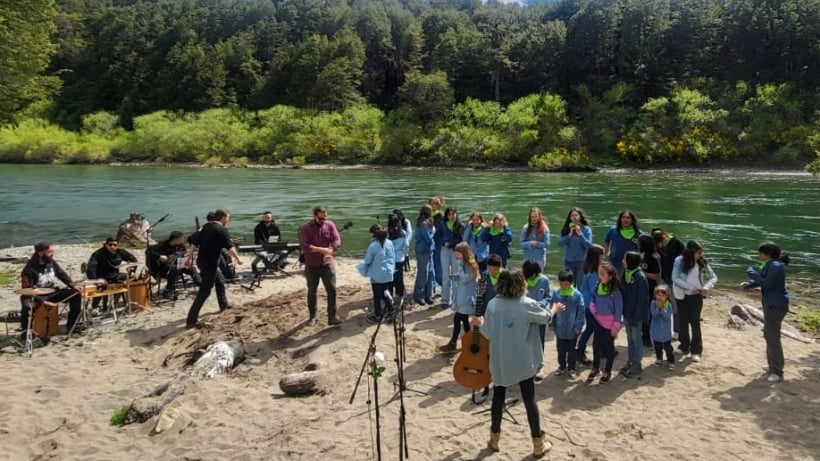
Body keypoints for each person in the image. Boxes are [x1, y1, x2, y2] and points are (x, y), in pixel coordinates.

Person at [470, 267, 563, 458]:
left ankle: (494, 439)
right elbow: (545, 318)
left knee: (498, 397)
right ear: (521, 284)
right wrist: (554, 309)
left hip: (500, 359)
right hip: (524, 360)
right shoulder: (527, 303)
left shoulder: (493, 304)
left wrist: (480, 323)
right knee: (529, 400)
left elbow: (487, 333)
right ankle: (538, 443)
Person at [186, 209, 243, 329]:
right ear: (223, 217)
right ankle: (191, 320)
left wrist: (189, 258)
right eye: (228, 217)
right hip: (210, 263)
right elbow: (229, 247)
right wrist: (238, 258)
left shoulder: (205, 227)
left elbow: (193, 243)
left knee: (220, 281)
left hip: (202, 261)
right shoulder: (222, 229)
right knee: (204, 291)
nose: (228, 220)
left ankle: (224, 306)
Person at [742, 241, 790, 383]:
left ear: (767, 254)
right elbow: (763, 280)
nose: (759, 255)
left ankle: (777, 371)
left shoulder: (775, 266)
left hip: (776, 306)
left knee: (773, 337)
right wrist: (749, 285)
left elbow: (767, 283)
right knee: (768, 335)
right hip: (771, 304)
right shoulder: (771, 264)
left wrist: (751, 273)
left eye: (761, 253)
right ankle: (772, 366)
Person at [19, 241, 82, 337]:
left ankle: (71, 326)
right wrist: (43, 302)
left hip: (51, 292)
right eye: (49, 252)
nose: (52, 254)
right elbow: (27, 290)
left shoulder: (51, 262)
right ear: (40, 253)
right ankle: (26, 333)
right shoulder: (29, 269)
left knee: (75, 294)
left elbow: (61, 274)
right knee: (27, 307)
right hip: (35, 296)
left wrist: (72, 285)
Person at [672, 240, 717, 363]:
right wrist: (690, 288)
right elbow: (674, 278)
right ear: (690, 252)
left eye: (701, 252)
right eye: (698, 252)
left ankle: (696, 350)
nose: (700, 255)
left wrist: (706, 287)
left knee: (695, 323)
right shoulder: (679, 261)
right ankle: (683, 346)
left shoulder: (702, 262)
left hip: (697, 297)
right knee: (683, 322)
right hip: (682, 295)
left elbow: (713, 277)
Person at [298, 206, 343, 326]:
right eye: (321, 218)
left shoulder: (330, 225)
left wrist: (332, 249)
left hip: (327, 264)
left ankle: (332, 317)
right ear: (314, 216)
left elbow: (337, 238)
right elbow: (304, 245)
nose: (323, 220)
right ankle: (312, 317)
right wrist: (322, 250)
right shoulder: (305, 228)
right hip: (312, 265)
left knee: (332, 290)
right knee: (312, 291)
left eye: (325, 218)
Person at [438, 242, 479, 353]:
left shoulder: (471, 265)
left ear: (464, 253)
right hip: (461, 295)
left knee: (459, 318)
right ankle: (468, 342)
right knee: (463, 320)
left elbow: (466, 278)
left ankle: (455, 342)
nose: (457, 257)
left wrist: (459, 268)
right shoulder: (464, 263)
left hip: (466, 298)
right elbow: (462, 278)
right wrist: (455, 277)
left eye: (459, 255)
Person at [586, 263, 623, 384]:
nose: (600, 276)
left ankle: (607, 371)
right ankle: (595, 368)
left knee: (609, 348)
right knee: (596, 346)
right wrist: (592, 307)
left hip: (610, 324)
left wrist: (616, 325)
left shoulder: (615, 292)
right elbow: (592, 298)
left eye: (603, 274)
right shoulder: (598, 287)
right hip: (598, 321)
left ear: (610, 276)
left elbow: (618, 309)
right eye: (599, 273)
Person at [549, 269, 585, 378]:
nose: (564, 286)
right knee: (560, 349)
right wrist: (552, 324)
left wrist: (578, 327)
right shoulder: (556, 293)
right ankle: (562, 366)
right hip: (560, 329)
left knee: (572, 350)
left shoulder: (577, 295)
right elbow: (552, 309)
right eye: (561, 284)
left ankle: (572, 368)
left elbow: (581, 312)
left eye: (566, 284)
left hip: (572, 329)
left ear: (571, 283)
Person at [620, 251, 650, 378]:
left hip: (635, 315)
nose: (622, 261)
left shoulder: (640, 277)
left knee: (636, 339)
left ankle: (637, 364)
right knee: (630, 338)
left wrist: (636, 318)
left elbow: (642, 300)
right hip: (627, 313)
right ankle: (630, 361)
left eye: (625, 259)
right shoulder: (626, 274)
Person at [651, 227, 685, 338]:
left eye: (661, 243)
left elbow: (684, 258)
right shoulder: (655, 245)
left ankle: (677, 330)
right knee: (660, 302)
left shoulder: (676, 243)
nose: (660, 246)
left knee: (675, 305)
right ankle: (660, 327)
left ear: (664, 236)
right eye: (657, 245)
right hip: (662, 277)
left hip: (674, 278)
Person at [146, 231, 200, 299]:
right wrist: (159, 256)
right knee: (174, 268)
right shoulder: (162, 245)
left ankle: (201, 284)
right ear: (175, 239)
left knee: (191, 267)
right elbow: (148, 251)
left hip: (178, 266)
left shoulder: (181, 246)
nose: (182, 240)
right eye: (181, 239)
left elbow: (183, 254)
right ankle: (168, 291)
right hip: (163, 269)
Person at [576, 244, 605, 365]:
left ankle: (583, 350)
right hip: (591, 304)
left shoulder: (586, 267)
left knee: (592, 328)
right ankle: (580, 351)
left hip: (586, 302)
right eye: (601, 255)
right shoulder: (593, 272)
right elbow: (595, 290)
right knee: (591, 328)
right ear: (597, 257)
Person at [522, 259, 551, 381]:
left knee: (539, 339)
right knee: (525, 338)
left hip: (539, 314)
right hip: (526, 315)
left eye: (533, 274)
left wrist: (540, 304)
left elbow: (548, 297)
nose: (531, 277)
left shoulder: (544, 280)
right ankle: (526, 363)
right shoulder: (523, 280)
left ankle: (539, 365)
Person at [361, 225, 395, 324]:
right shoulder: (390, 243)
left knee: (377, 295)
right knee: (386, 292)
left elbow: (367, 260)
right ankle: (391, 311)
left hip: (377, 274)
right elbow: (392, 256)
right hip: (388, 273)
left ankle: (378, 315)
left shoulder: (373, 246)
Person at [436, 207, 464, 308]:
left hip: (456, 251)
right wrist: (443, 243)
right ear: (447, 215)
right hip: (444, 250)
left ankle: (455, 300)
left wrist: (451, 244)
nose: (452, 216)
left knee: (455, 275)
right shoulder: (442, 225)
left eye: (453, 214)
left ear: (456, 215)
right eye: (450, 214)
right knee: (445, 275)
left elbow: (462, 239)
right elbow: (437, 237)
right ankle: (445, 300)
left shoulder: (460, 225)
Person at [558, 207, 593, 283]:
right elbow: (560, 243)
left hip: (582, 262)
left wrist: (580, 234)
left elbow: (588, 245)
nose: (574, 217)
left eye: (576, 215)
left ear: (580, 216)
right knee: (569, 284)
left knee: (581, 284)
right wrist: (569, 235)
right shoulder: (566, 229)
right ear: (569, 218)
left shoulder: (586, 229)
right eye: (572, 215)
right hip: (569, 261)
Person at [412, 205, 436, 306]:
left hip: (429, 250)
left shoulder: (426, 222)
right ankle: (419, 295)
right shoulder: (423, 224)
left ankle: (428, 294)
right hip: (423, 250)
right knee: (423, 274)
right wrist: (433, 231)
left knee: (431, 273)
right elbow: (428, 238)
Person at [604, 209, 640, 274]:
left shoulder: (638, 233)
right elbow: (607, 240)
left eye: (628, 218)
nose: (625, 219)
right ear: (620, 219)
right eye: (623, 217)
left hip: (631, 263)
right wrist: (607, 251)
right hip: (615, 261)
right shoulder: (613, 230)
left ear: (632, 220)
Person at [650, 284, 675, 370]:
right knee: (658, 347)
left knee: (668, 348)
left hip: (666, 333)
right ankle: (659, 358)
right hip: (656, 332)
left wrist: (662, 309)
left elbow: (667, 317)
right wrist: (658, 309)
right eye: (658, 295)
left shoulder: (669, 305)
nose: (660, 297)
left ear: (667, 296)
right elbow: (653, 315)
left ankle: (671, 361)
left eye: (663, 295)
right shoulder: (653, 303)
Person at [387, 213, 409, 303]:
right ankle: (400, 295)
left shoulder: (387, 233)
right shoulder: (403, 233)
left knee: (389, 279)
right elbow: (406, 245)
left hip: (389, 259)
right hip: (399, 259)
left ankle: (390, 296)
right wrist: (404, 253)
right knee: (399, 278)